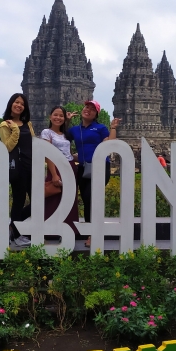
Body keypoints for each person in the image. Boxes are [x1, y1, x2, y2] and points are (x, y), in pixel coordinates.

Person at [66, 100, 120, 247]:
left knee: (91, 198)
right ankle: (91, 229)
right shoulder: (75, 130)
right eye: (86, 107)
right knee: (85, 198)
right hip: (83, 168)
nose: (87, 110)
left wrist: (113, 128)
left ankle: (93, 233)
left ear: (96, 114)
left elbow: (110, 144)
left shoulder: (100, 128)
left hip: (101, 167)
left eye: (92, 109)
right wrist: (67, 120)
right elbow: (62, 140)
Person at [0, 93, 36, 247]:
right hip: (17, 168)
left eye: (22, 103)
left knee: (38, 202)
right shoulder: (4, 125)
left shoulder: (28, 124)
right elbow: (7, 147)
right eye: (16, 102)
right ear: (11, 104)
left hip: (31, 166)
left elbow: (34, 144)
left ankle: (13, 226)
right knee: (19, 201)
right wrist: (15, 129)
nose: (19, 105)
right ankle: (17, 235)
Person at [40, 106, 79, 235]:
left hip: (70, 166)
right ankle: (50, 231)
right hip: (55, 167)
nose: (58, 118)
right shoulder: (46, 132)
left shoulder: (66, 134)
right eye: (55, 115)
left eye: (61, 116)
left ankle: (69, 231)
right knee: (54, 197)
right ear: (50, 116)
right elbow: (47, 154)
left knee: (69, 198)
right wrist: (54, 175)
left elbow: (68, 152)